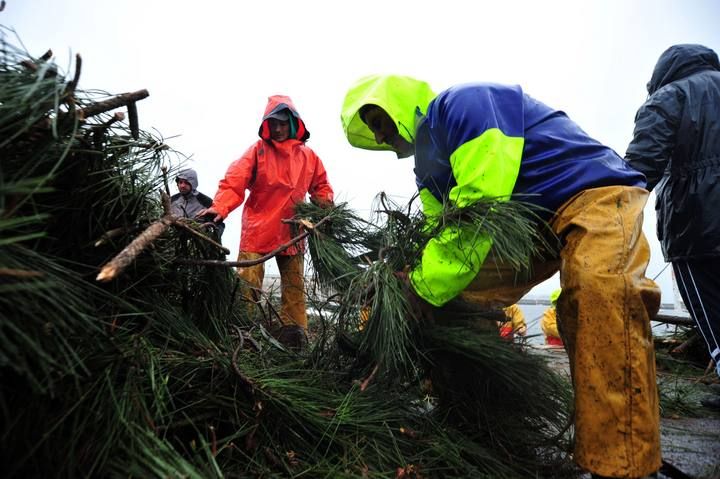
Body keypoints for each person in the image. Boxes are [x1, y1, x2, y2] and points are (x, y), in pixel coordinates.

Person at [341, 75, 661, 479]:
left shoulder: (462, 107)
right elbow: (440, 233)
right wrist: (402, 278)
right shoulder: (427, 172)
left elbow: (480, 205)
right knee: (453, 299)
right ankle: (479, 422)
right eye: (371, 128)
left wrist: (420, 285)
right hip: (526, 227)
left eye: (380, 118)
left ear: (399, 102)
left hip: (593, 192)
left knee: (601, 297)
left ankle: (622, 466)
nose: (381, 133)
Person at [625, 44, 720, 410]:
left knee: (711, 309)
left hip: (698, 223)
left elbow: (641, 167)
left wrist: (612, 213)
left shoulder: (670, 96)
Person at [200, 95, 334, 350]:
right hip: (259, 229)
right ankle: (244, 335)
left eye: (283, 123)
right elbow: (234, 181)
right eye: (273, 124)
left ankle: (295, 341)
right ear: (266, 125)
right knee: (247, 287)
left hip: (292, 232)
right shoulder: (257, 151)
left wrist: (326, 207)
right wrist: (219, 208)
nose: (278, 129)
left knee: (294, 291)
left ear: (293, 123)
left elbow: (321, 187)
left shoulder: (308, 157)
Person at [170, 168, 225, 239]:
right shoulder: (172, 200)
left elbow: (219, 224)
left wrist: (211, 238)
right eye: (180, 182)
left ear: (193, 183)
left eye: (186, 183)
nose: (182, 186)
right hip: (175, 241)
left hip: (198, 242)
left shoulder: (205, 201)